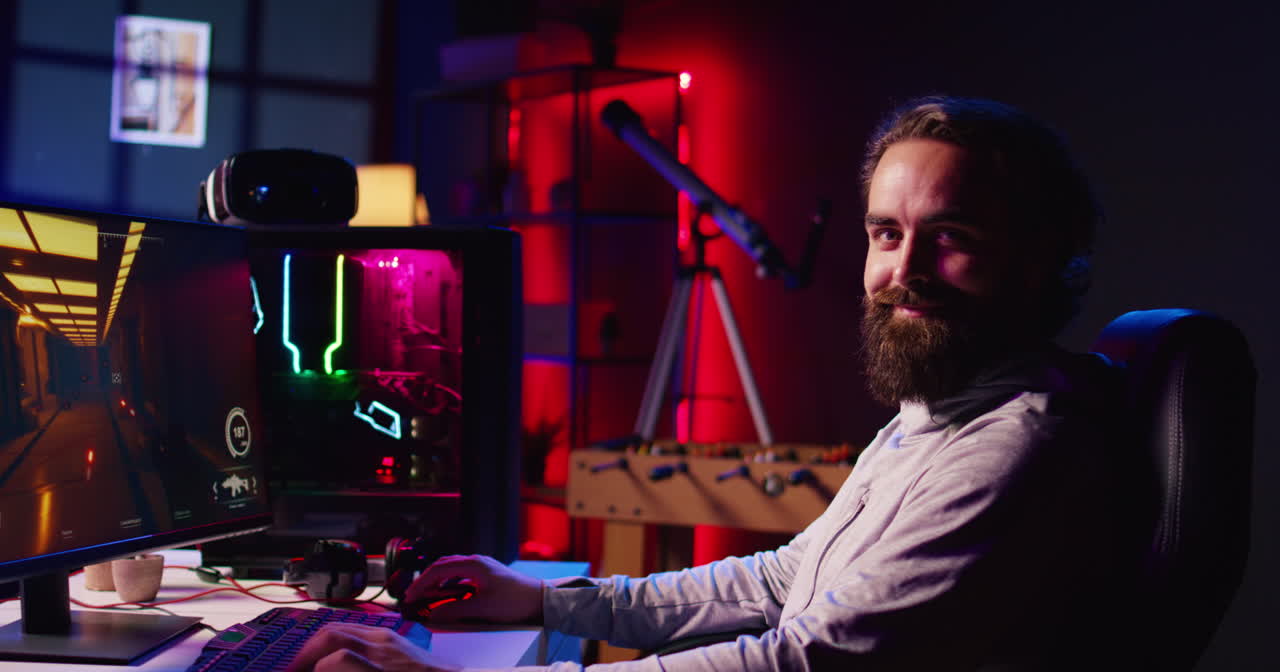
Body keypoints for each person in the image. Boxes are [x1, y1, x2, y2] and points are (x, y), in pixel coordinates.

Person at [285, 95, 1110, 672]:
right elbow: (781, 581)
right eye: (887, 233)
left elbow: (806, 660)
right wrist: (543, 604)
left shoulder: (1013, 446)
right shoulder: (935, 414)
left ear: (1038, 261)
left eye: (951, 237)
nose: (903, 271)